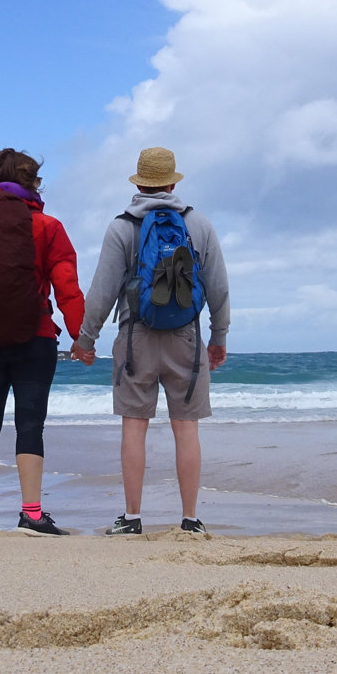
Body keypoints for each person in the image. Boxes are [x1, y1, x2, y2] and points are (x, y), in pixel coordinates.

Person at [71, 147, 230, 535]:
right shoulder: (199, 224)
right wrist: (218, 336)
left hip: (135, 337)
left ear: (139, 184)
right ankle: (190, 520)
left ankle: (132, 518)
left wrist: (86, 340)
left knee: (134, 426)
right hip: (186, 337)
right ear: (173, 183)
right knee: (186, 427)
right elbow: (218, 286)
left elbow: (102, 291)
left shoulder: (122, 227)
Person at [0, 148, 86, 535]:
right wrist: (81, 336)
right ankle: (31, 514)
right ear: (31, 182)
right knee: (29, 425)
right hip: (34, 337)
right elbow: (66, 285)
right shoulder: (48, 226)